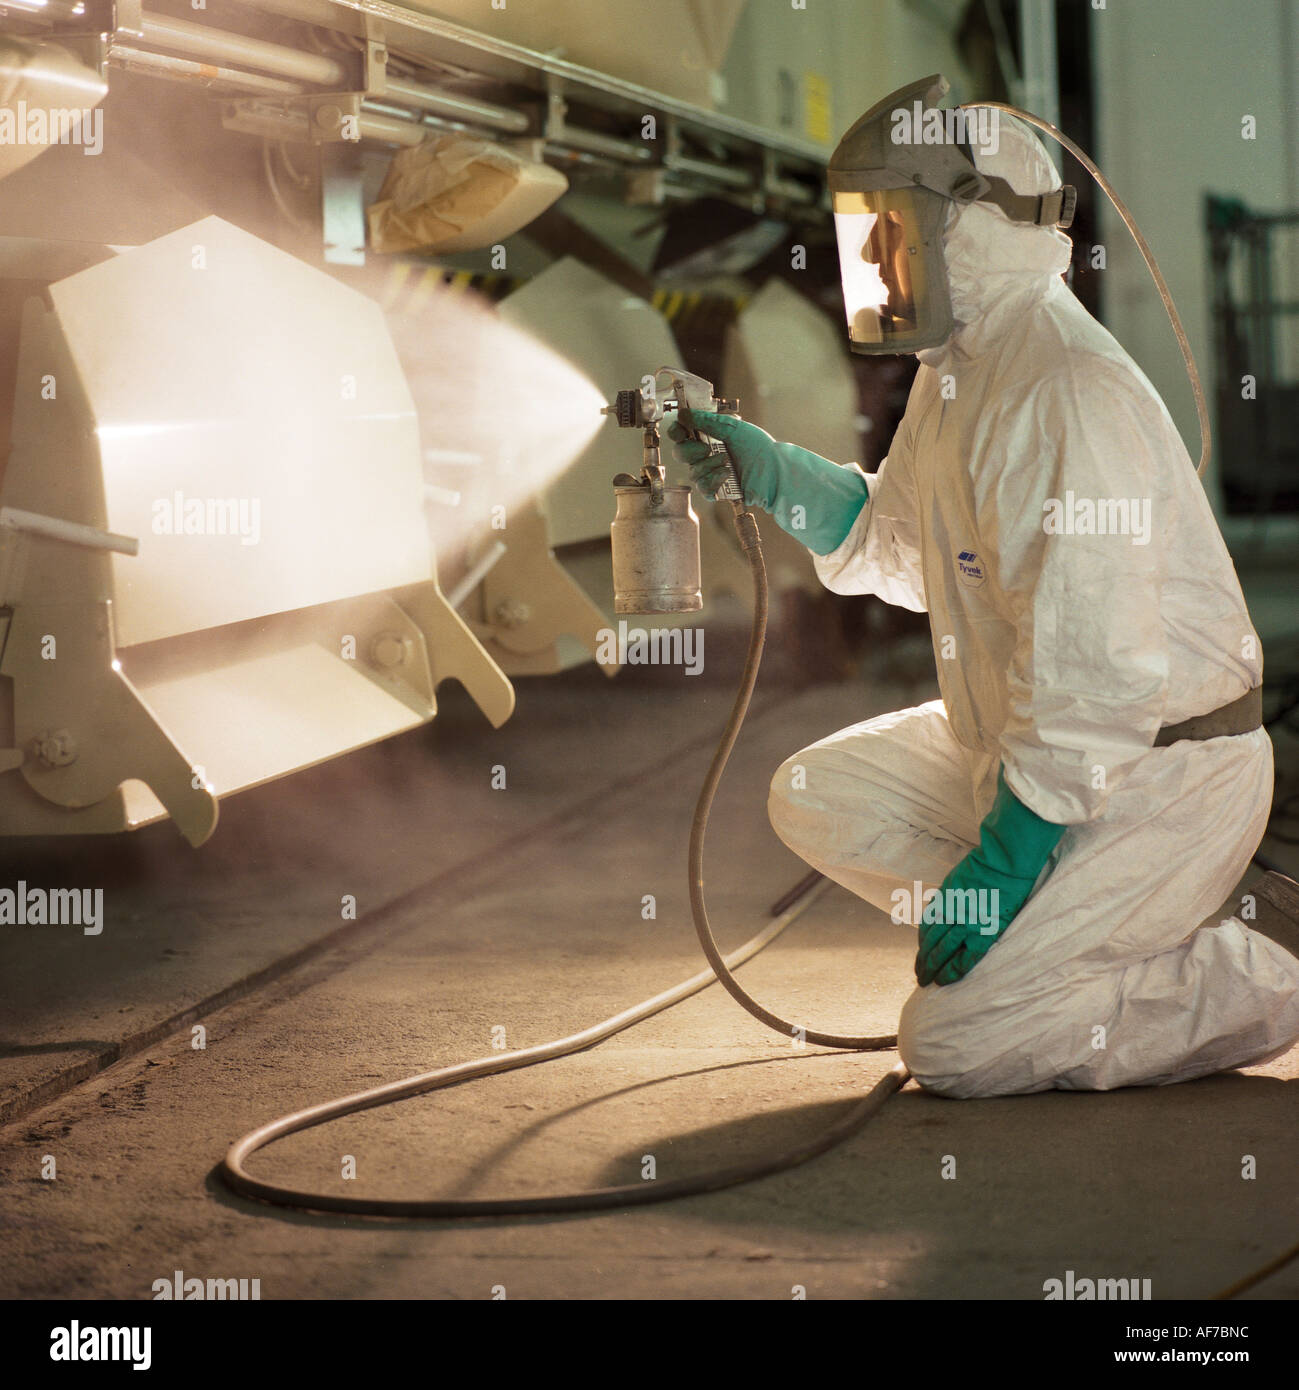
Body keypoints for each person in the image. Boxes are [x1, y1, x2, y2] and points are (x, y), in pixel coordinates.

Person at [668, 78, 1299, 1098]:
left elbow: (1097, 672)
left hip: (1156, 773)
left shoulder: (1066, 388)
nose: (877, 259)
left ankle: (1264, 966)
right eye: (868, 230)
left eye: (897, 229)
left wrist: (1009, 852)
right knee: (813, 794)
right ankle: (1066, 947)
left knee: (956, 1047)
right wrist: (778, 476)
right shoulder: (960, 369)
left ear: (978, 228)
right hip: (1030, 741)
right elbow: (910, 543)